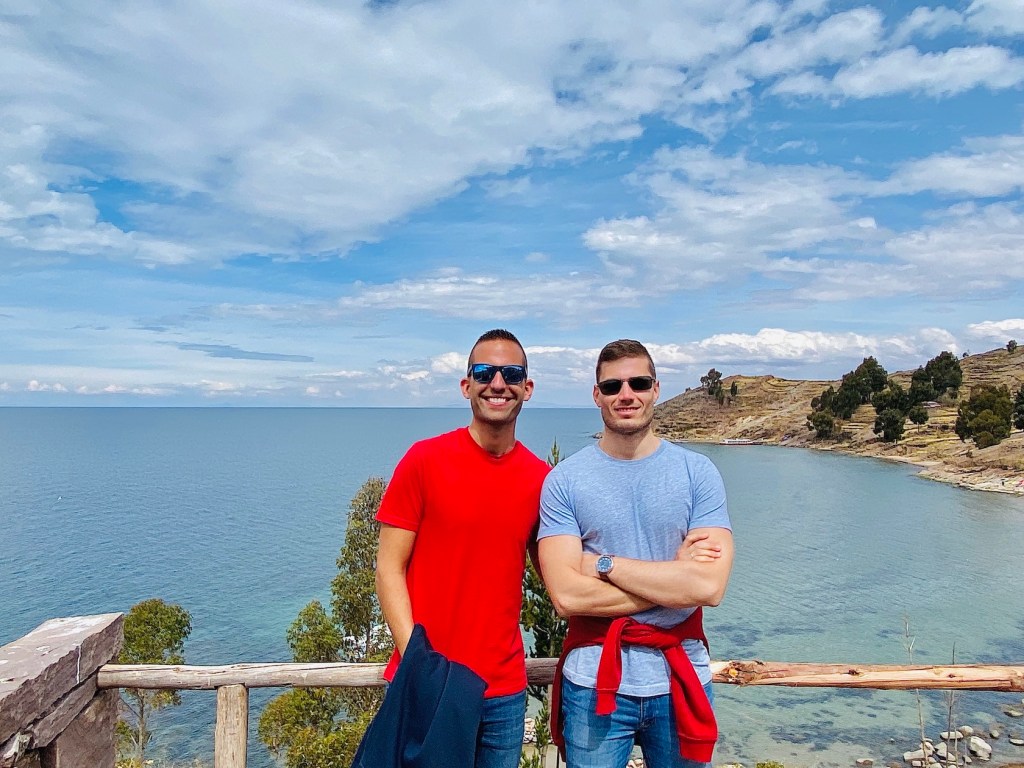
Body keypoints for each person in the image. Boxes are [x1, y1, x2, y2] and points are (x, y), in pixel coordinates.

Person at [537, 338, 734, 768]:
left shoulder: (698, 473)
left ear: (656, 389)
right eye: (612, 386)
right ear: (597, 395)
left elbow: (709, 587)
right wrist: (674, 582)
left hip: (681, 676)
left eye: (638, 383)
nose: (626, 394)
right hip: (593, 682)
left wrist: (603, 565)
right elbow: (567, 596)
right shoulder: (564, 481)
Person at [375, 328, 550, 768]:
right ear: (466, 385)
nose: (498, 383)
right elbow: (388, 568)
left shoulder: (540, 479)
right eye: (485, 372)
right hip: (429, 682)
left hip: (503, 692)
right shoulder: (423, 460)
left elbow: (559, 574)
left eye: (511, 374)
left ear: (527, 388)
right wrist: (419, 664)